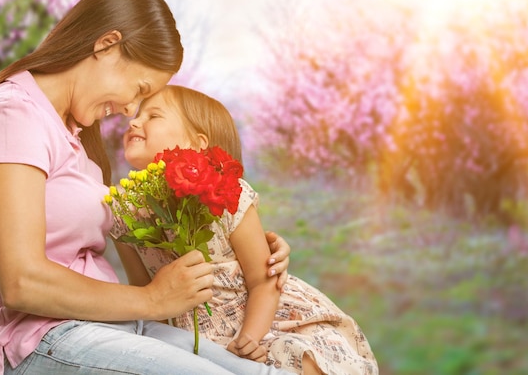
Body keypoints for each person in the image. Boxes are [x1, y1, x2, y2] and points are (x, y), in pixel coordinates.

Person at [0, 0, 293, 375]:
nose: (130, 108)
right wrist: (153, 300)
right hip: (42, 339)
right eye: (139, 89)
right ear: (106, 45)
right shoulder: (13, 115)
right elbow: (22, 282)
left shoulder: (71, 136)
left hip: (114, 325)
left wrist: (252, 247)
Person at [113, 85, 380, 375]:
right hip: (193, 338)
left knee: (301, 359)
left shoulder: (227, 196)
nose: (134, 122)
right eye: (138, 115)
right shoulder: (125, 212)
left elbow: (263, 281)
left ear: (197, 143)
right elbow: (143, 292)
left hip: (263, 321)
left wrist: (249, 339)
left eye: (153, 115)